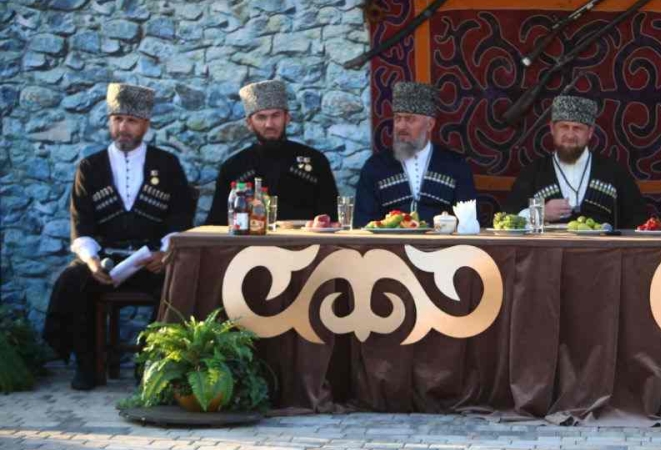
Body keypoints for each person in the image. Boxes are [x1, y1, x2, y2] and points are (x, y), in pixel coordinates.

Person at [42, 83, 195, 391]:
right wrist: (92, 260)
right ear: (110, 122)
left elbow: (180, 216)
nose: (123, 127)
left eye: (131, 121)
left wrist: (165, 253)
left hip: (149, 260)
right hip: (105, 259)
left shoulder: (167, 165)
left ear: (145, 125)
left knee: (178, 284)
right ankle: (86, 366)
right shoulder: (90, 167)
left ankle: (150, 365)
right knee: (73, 281)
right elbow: (81, 222)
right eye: (117, 119)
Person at [502, 95, 647, 229]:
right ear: (552, 129)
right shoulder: (533, 172)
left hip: (602, 248)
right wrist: (540, 213)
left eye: (577, 128)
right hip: (547, 249)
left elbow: (639, 221)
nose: (570, 135)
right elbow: (506, 219)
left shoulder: (613, 171)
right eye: (564, 127)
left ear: (590, 132)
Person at [206, 80, 338, 225]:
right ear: (249, 123)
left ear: (287, 118)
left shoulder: (315, 161)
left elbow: (332, 219)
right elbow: (216, 224)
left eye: (275, 115)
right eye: (261, 117)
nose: (269, 124)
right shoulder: (233, 167)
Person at [354, 81, 476, 226]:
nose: (401, 126)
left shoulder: (455, 165)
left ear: (430, 124)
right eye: (398, 118)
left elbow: (469, 222)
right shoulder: (376, 166)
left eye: (410, 119)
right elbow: (362, 223)